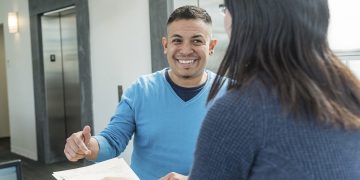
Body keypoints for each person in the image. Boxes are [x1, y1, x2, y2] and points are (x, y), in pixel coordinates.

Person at [186, 0, 360, 179]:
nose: (226, 20)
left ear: (251, 18)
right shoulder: (350, 96)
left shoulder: (239, 111)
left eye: (227, 9)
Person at [63, 5, 226, 180]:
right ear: (166, 45)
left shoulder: (233, 93)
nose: (185, 50)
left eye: (197, 41)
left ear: (211, 46)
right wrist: (87, 145)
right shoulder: (141, 90)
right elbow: (112, 141)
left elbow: (246, 161)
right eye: (177, 40)